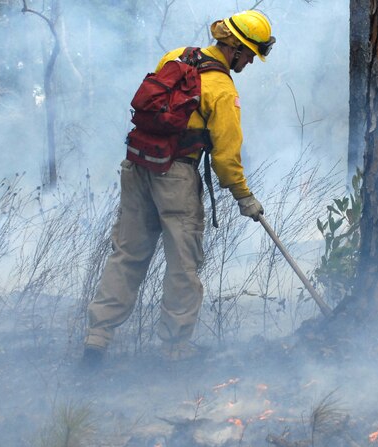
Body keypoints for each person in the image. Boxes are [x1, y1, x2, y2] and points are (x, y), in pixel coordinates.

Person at [81, 10, 275, 367]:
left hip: (137, 167)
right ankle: (174, 350)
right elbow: (226, 157)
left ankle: (97, 338)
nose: (250, 61)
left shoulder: (175, 57)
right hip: (177, 177)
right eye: (249, 54)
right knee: (183, 264)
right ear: (234, 49)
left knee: (127, 255)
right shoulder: (222, 90)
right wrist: (244, 197)